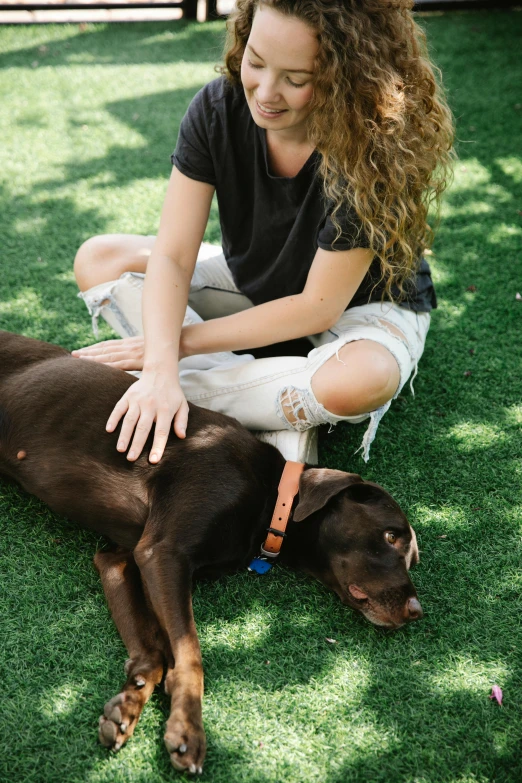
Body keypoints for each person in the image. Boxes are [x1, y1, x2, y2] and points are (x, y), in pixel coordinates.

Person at [72, 0, 454, 466]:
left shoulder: (372, 146)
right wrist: (158, 365)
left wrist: (166, 348)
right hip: (257, 287)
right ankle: (274, 410)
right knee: (101, 258)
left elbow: (317, 308)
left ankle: (169, 392)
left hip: (363, 307)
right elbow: (172, 255)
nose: (266, 92)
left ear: (348, 79)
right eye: (255, 62)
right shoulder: (217, 107)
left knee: (362, 379)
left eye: (296, 80)